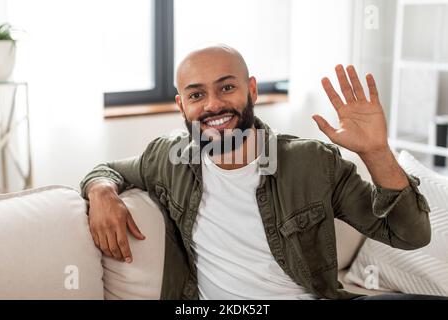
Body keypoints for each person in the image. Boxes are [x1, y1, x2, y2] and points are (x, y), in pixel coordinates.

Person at [80, 44, 441, 300]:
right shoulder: (169, 157)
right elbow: (107, 170)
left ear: (250, 89)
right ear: (181, 105)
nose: (213, 105)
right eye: (196, 95)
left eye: (226, 87)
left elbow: (410, 236)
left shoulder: (312, 162)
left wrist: (377, 152)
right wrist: (101, 192)